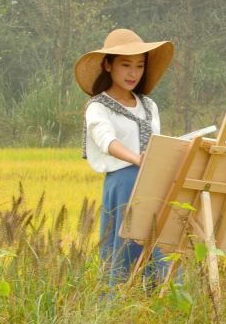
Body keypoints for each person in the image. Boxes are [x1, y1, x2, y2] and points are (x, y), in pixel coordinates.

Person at [74, 28, 175, 287]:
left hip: (155, 183)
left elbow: (158, 141)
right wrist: (137, 159)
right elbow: (106, 141)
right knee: (123, 250)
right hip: (123, 183)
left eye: (140, 66)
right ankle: (118, 306)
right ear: (108, 65)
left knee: (160, 247)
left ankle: (157, 304)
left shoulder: (149, 106)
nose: (133, 73)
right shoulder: (98, 106)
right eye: (126, 65)